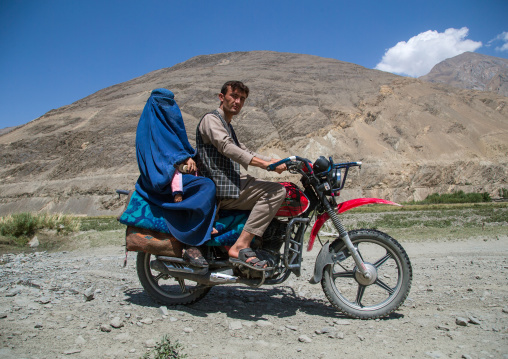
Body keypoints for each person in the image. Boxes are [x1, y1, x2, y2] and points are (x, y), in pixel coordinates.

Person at [195, 81, 287, 271]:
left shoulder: (226, 125)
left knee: (275, 187)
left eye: (242, 99)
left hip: (230, 183)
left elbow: (243, 149)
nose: (237, 101)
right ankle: (241, 246)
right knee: (276, 191)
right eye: (234, 96)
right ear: (222, 97)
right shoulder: (211, 120)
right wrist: (265, 165)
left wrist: (274, 161)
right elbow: (226, 147)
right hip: (220, 188)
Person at [135, 88, 216, 267]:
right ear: (156, 105)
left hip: (168, 176)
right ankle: (191, 239)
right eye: (165, 103)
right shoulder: (153, 128)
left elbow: (175, 149)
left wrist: (187, 157)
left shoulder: (162, 126)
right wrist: (181, 158)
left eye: (171, 102)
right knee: (207, 186)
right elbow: (163, 155)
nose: (169, 107)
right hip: (160, 181)